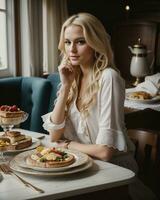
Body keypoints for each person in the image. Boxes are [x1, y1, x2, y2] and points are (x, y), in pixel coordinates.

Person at [42, 13, 157, 200]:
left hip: (113, 173)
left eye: (80, 42)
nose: (72, 49)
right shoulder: (72, 76)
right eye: (67, 42)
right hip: (82, 166)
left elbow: (105, 152)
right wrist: (65, 86)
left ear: (95, 43)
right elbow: (54, 135)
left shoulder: (108, 78)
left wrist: (68, 145)